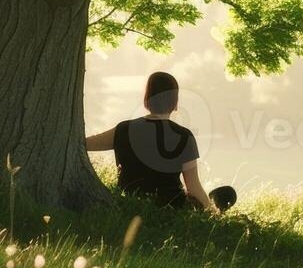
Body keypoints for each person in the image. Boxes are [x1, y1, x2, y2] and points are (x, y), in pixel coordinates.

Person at [86, 71, 236, 212]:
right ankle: (216, 206)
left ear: (146, 100)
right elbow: (193, 187)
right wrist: (211, 212)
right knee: (228, 194)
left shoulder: (123, 129)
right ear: (175, 103)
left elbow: (85, 144)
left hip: (128, 202)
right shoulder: (184, 136)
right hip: (171, 206)